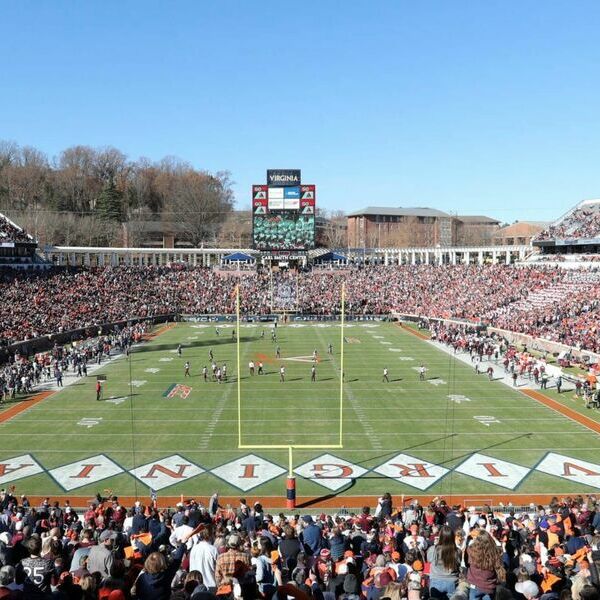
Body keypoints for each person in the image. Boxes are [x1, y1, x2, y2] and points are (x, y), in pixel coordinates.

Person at [465, 530, 505, 600]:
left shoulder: (470, 550)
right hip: (489, 587)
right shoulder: (495, 552)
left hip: (475, 585)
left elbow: (466, 564)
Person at [427, 525, 460, 600]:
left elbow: (429, 560)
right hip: (452, 582)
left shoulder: (433, 549)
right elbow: (458, 563)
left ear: (440, 536)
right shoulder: (457, 551)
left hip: (436, 581)